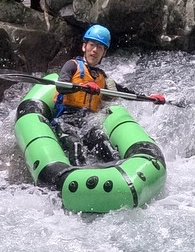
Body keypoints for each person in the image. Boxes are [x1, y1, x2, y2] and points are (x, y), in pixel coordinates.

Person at [51, 25, 164, 165]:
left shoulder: (101, 77)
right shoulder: (72, 65)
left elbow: (123, 91)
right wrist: (82, 87)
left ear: (104, 53)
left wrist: (149, 98)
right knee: (75, 147)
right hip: (64, 119)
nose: (94, 50)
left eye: (100, 47)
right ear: (84, 47)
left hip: (86, 122)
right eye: (92, 45)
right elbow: (62, 86)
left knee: (103, 144)